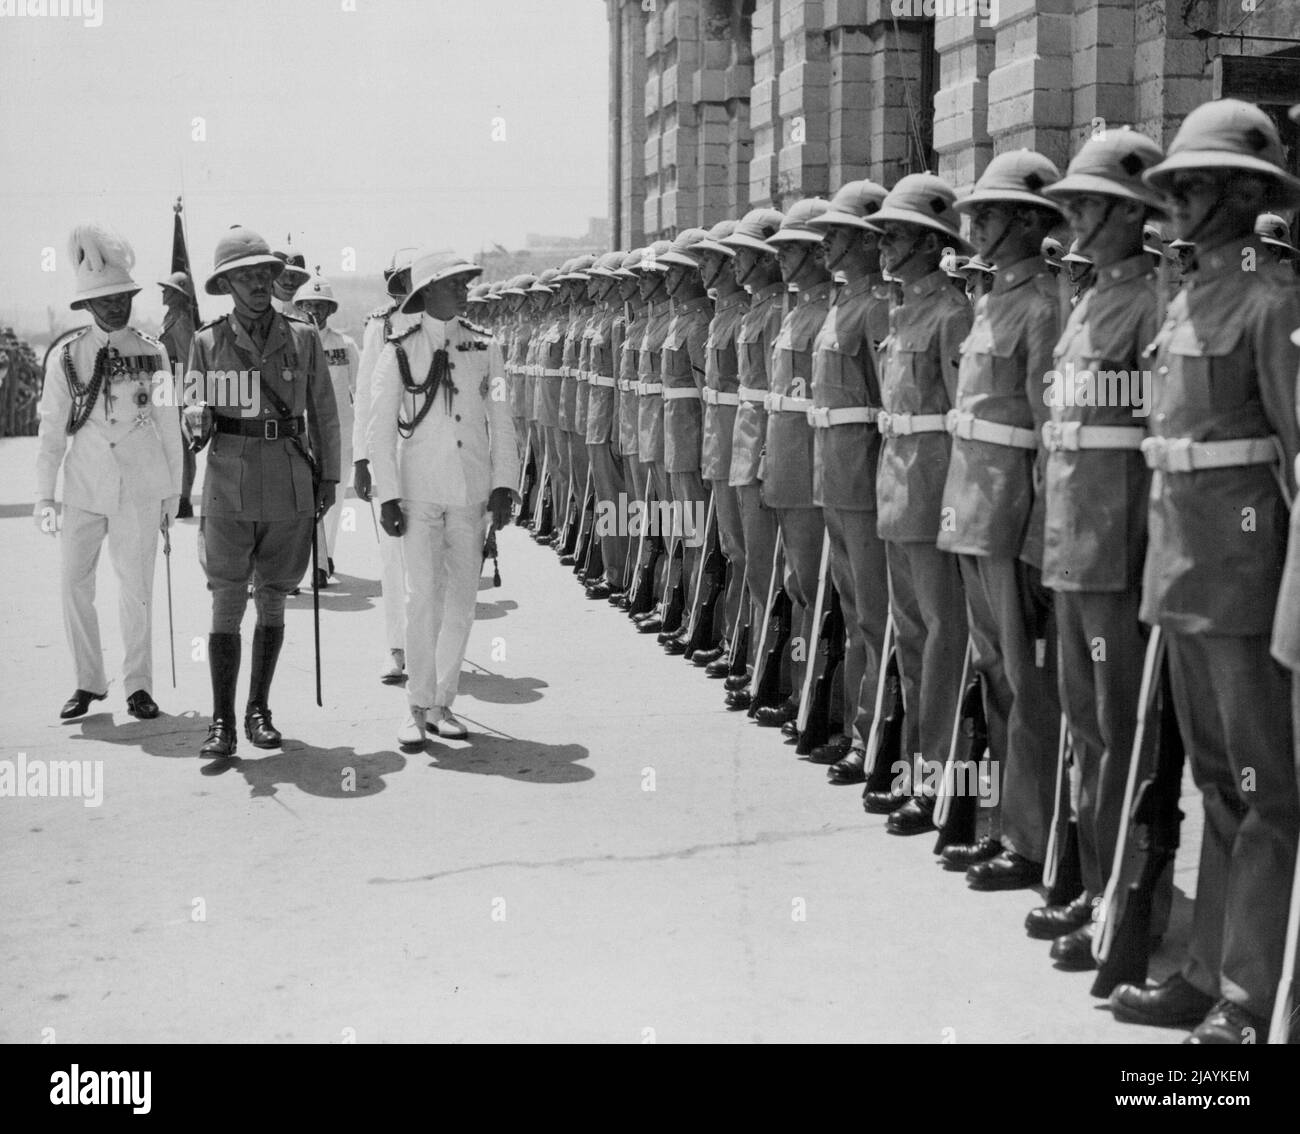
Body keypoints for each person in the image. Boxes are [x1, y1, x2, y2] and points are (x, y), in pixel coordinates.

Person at [1109, 99, 1300, 1045]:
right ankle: (1205, 971)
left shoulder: (1275, 305)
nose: (1174, 199)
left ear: (1240, 193)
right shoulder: (1183, 301)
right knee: (1219, 787)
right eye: (1170, 184)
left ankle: (1249, 998)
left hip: (1247, 585)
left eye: (1192, 184)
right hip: (1182, 578)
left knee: (1266, 793)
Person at [1033, 128, 1167, 969]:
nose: (1073, 217)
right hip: (1072, 536)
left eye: (1086, 203)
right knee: (1085, 723)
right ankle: (1090, 882)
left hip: (1121, 540)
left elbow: (1161, 439)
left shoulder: (1154, 303)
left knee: (1124, 731)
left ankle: (1125, 892)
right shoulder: (1086, 302)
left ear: (1128, 211)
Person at [941, 151, 1065, 889]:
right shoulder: (992, 302)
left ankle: (1032, 837)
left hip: (1012, 514)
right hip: (970, 507)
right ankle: (1002, 822)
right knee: (994, 678)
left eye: (987, 213)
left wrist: (1043, 534)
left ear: (1026, 221)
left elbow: (1052, 432)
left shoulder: (1044, 306)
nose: (973, 225)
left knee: (1027, 686)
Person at [185, 225, 340, 758]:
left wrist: (331, 477)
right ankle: (222, 722)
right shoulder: (206, 342)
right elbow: (193, 416)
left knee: (273, 596)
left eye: (263, 274)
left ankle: (259, 710)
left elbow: (324, 412)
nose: (256, 284)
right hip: (229, 480)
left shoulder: (303, 336)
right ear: (227, 284)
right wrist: (192, 420)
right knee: (227, 599)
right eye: (244, 277)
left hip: (289, 477)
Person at [368, 249, 519, 746]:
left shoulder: (485, 346)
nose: (465, 290)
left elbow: (501, 418)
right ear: (429, 290)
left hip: (470, 491)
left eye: (466, 282)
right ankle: (415, 705)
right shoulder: (400, 348)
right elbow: (380, 429)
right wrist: (387, 495)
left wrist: (504, 484)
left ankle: (443, 704)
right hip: (419, 493)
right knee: (421, 600)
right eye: (455, 283)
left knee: (461, 604)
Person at [855, 175, 972, 817]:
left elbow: (962, 423)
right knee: (910, 636)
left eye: (895, 235)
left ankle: (947, 778)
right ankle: (920, 767)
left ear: (930, 243)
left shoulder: (954, 315)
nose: (883, 246)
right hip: (897, 492)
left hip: (933, 495)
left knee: (944, 637)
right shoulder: (904, 313)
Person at [35, 223, 182, 721]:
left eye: (123, 297)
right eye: (106, 299)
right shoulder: (67, 355)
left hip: (140, 485)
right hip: (84, 486)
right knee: (74, 584)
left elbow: (169, 423)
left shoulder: (153, 350)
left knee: (137, 589)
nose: (116, 306)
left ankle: (138, 685)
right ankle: (88, 681)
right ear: (87, 306)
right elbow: (52, 430)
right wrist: (43, 496)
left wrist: (173, 493)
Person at [802, 180, 893, 772]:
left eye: (837, 233)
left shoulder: (878, 307)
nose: (827, 243)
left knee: (875, 616)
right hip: (832, 475)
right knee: (851, 605)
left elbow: (891, 409)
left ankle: (875, 739)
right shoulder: (841, 305)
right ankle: (850, 723)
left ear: (865, 241)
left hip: (863, 476)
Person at [753, 198, 835, 729]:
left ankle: (826, 704)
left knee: (818, 590)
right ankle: (800, 691)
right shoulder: (797, 312)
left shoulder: (829, 310)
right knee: (797, 584)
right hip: (786, 464)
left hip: (813, 468)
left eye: (791, 248)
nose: (780, 257)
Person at [721, 208, 786, 709]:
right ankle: (753, 657)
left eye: (745, 252)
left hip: (763, 449)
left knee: (771, 570)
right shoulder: (753, 312)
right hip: (742, 450)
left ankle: (773, 670)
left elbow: (778, 397)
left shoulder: (780, 311)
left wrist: (767, 456)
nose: (735, 261)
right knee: (749, 561)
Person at [353, 247, 418, 683]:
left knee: (436, 560)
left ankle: (426, 643)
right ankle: (396, 646)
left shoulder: (450, 326)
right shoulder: (382, 325)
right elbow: (368, 395)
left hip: (438, 453)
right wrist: (362, 458)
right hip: (393, 449)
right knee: (393, 556)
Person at [689, 219, 748, 669]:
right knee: (731, 547)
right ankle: (732, 640)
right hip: (719, 442)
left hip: (740, 445)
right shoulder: (721, 319)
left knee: (749, 554)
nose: (700, 267)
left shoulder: (742, 316)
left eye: (709, 259)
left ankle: (745, 648)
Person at [293, 272, 360, 588]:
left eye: (321, 306)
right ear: (300, 306)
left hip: (340, 434)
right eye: (309, 305)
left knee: (333, 500)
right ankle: (316, 564)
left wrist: (364, 444)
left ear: (330, 310)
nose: (315, 312)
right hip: (304, 433)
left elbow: (361, 391)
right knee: (304, 497)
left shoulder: (346, 345)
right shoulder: (292, 344)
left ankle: (325, 556)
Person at [158, 270, 199, 518]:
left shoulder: (182, 320)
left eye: (168, 289)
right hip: (168, 387)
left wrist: (186, 397)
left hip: (179, 390)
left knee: (183, 446)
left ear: (178, 294)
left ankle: (184, 498)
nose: (163, 292)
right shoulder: (171, 316)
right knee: (174, 445)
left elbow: (187, 358)